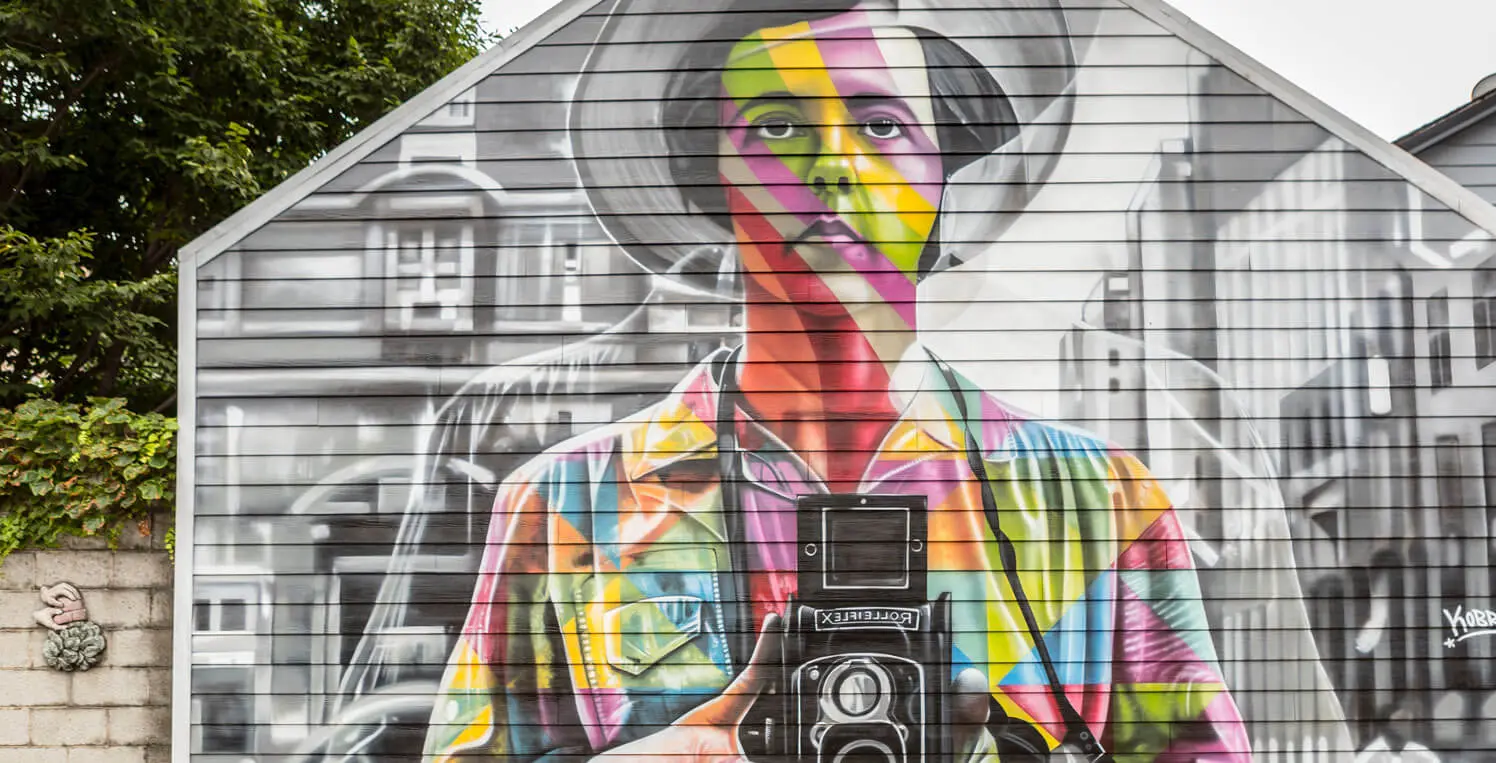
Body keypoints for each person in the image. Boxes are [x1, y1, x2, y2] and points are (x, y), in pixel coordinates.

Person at [422, 1, 1251, 760]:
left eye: (883, 125)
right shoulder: (565, 505)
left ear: (943, 171)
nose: (834, 166)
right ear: (712, 172)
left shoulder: (1099, 503)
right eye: (779, 126)